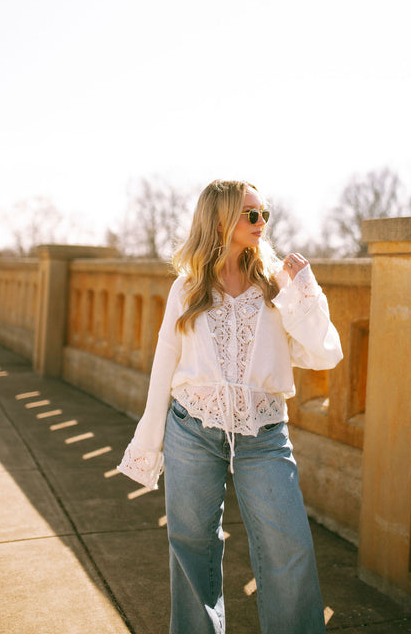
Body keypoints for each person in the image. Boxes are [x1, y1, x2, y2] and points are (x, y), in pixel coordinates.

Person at [118, 179, 343, 634]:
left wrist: (304, 289)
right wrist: (150, 443)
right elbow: (165, 363)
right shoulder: (187, 289)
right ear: (221, 220)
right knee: (191, 548)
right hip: (192, 430)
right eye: (251, 214)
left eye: (265, 214)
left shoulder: (276, 285)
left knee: (289, 547)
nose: (262, 223)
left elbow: (324, 354)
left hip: (263, 436)